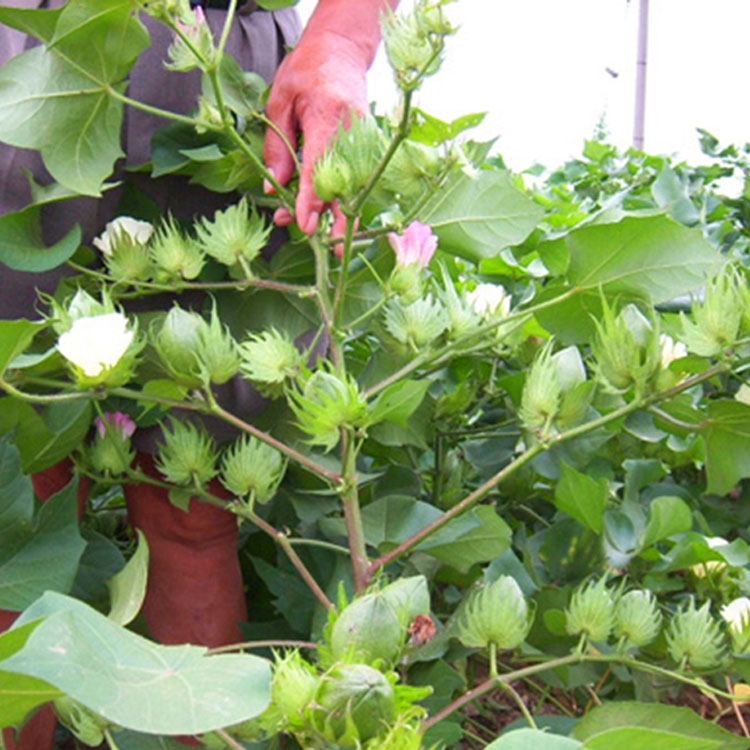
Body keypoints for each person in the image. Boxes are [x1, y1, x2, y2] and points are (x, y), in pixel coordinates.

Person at [0, 1, 397, 747]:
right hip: (34, 43)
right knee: (16, 500)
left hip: (229, 69)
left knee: (194, 509)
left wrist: (343, 36)